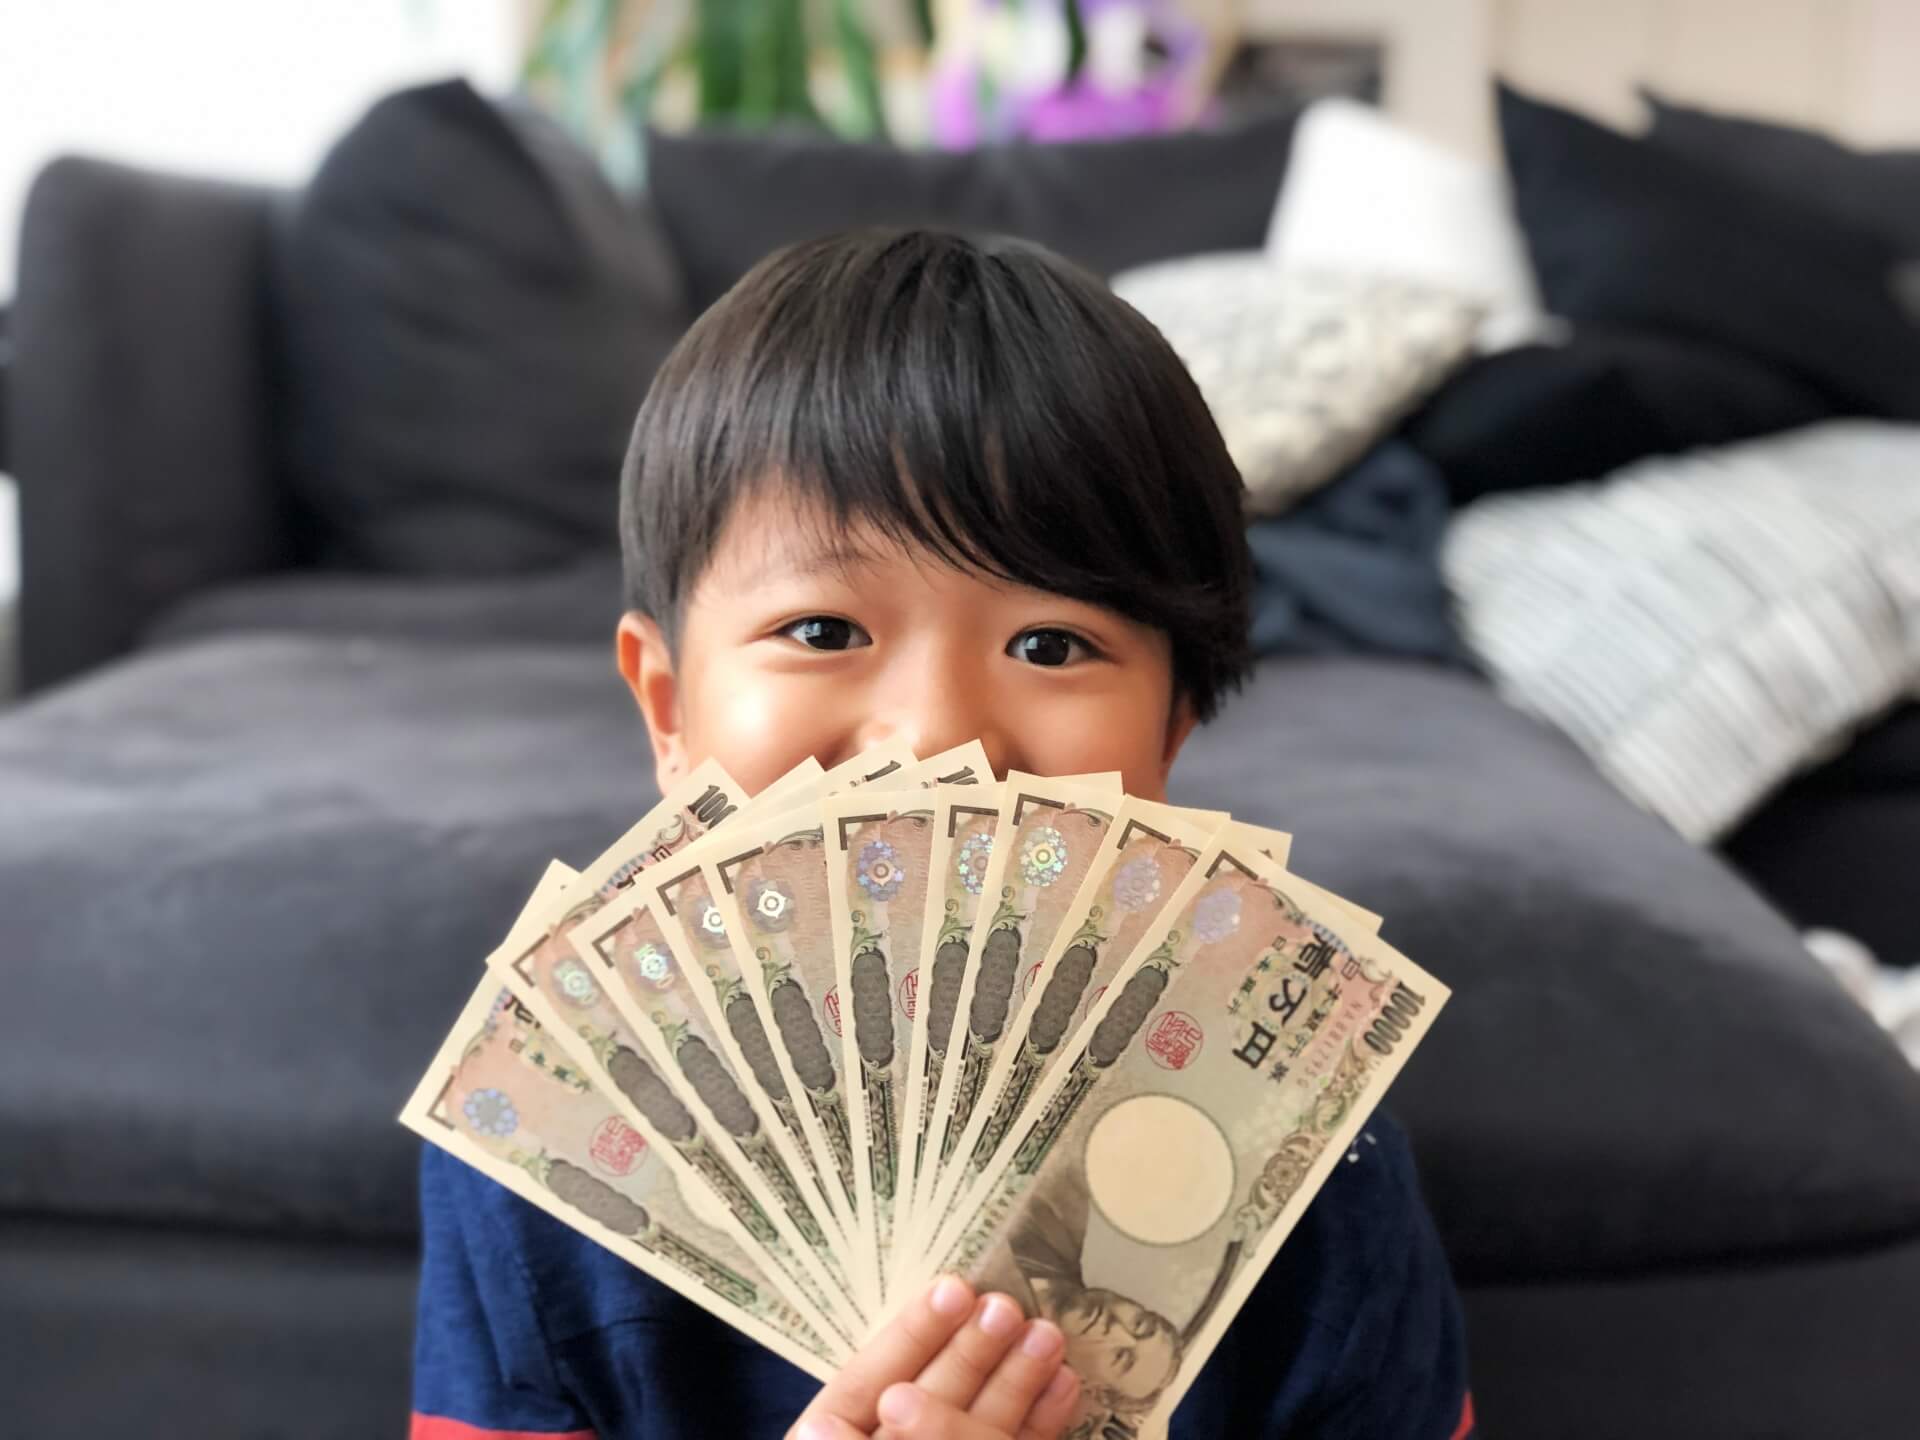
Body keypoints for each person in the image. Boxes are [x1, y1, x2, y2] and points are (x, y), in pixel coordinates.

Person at [411, 227, 1475, 1440]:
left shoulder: (1308, 1143)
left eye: (1051, 645)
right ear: (668, 708)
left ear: (1170, 739)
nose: (935, 739)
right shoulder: (538, 1144)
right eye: (823, 631)